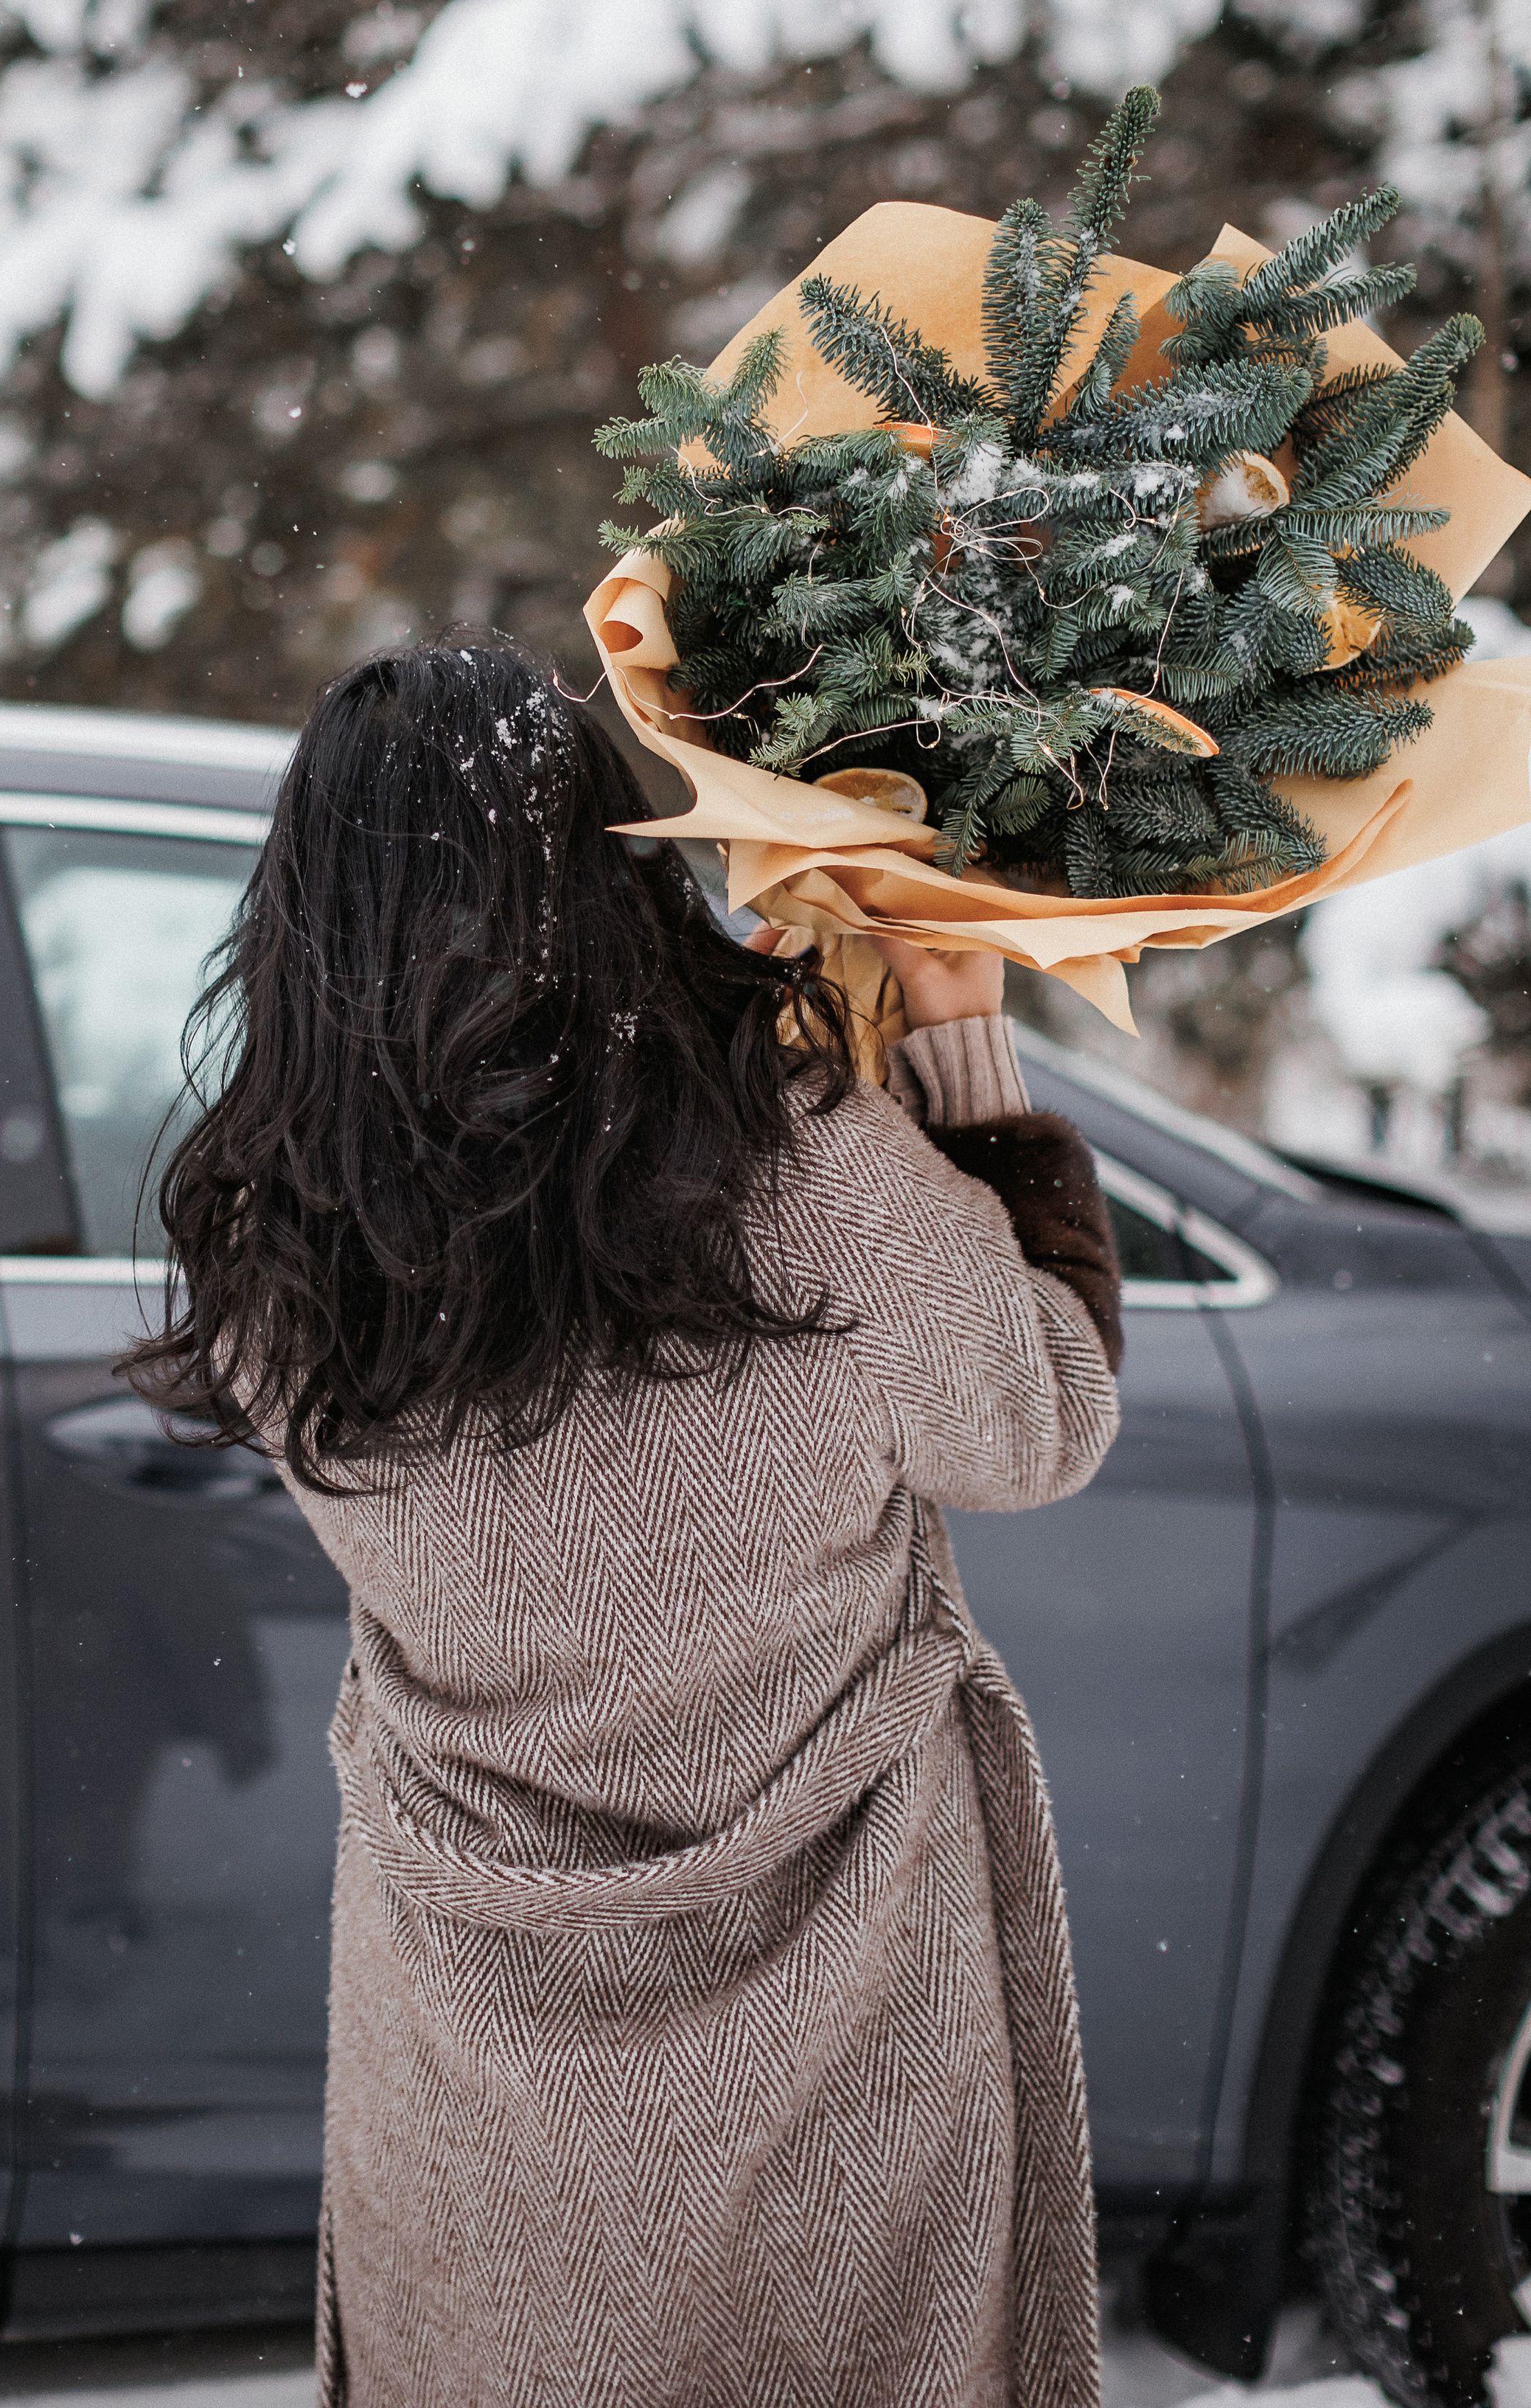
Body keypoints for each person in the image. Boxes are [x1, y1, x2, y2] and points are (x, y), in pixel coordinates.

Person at [125, 639, 1123, 2408]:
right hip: (843, 2059)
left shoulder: (285, 1267)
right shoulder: (800, 1171)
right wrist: (955, 1036)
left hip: (476, 2084)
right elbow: (1037, 1422)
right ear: (601, 869)